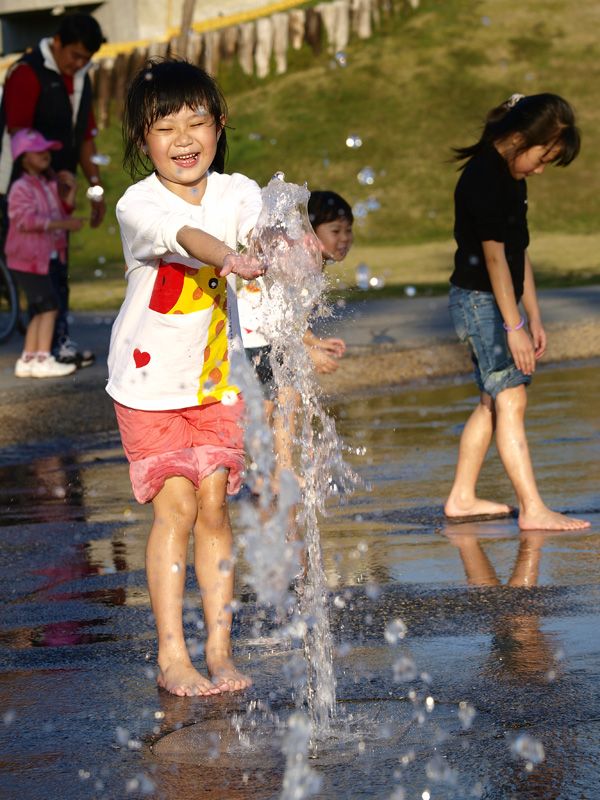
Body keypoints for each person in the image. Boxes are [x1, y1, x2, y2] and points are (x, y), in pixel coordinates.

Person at [106, 58, 265, 697]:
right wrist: (228, 257)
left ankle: (220, 650)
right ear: (142, 141)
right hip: (147, 386)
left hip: (214, 382)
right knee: (175, 506)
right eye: (163, 125)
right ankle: (174, 654)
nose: (182, 138)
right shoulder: (137, 203)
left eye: (195, 121)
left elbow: (266, 236)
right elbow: (182, 236)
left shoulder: (240, 191)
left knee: (215, 507)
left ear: (219, 126)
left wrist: (290, 253)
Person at [444, 93, 590, 532]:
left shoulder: (511, 176)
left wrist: (534, 317)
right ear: (520, 137)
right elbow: (493, 260)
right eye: (543, 158)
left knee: (493, 401)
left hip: (497, 302)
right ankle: (533, 508)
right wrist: (514, 327)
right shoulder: (485, 177)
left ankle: (462, 498)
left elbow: (516, 253)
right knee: (512, 397)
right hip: (480, 302)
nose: (541, 169)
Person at [0, 12, 106, 367]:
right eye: (75, 56)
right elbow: (20, 137)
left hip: (61, 185)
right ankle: (43, 349)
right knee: (36, 268)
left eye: (85, 60)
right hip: (24, 185)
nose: (79, 64)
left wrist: (95, 187)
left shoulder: (81, 79)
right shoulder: (27, 72)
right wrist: (48, 175)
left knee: (57, 264)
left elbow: (86, 138)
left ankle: (54, 343)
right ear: (58, 42)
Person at [237, 190, 352, 488]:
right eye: (336, 231)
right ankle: (267, 473)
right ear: (312, 231)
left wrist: (312, 341)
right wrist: (309, 353)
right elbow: (277, 318)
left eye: (348, 230)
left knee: (286, 397)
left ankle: (278, 471)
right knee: (269, 405)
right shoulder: (305, 259)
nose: (345, 239)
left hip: (260, 333)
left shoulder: (307, 257)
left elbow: (291, 314)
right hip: (252, 337)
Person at [6, 129, 84, 378]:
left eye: (46, 149)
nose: (45, 154)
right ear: (23, 157)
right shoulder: (20, 187)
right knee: (50, 306)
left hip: (42, 259)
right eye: (37, 151)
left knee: (42, 308)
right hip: (27, 260)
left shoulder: (44, 183)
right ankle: (43, 359)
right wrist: (64, 225)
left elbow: (59, 212)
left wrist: (69, 190)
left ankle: (28, 359)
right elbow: (25, 221)